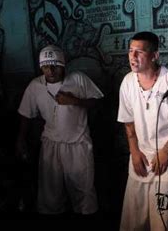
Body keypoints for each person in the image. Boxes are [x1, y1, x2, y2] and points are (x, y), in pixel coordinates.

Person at [17, 44, 103, 215]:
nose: (50, 70)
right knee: (50, 193)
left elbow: (98, 101)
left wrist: (75, 101)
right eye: (46, 66)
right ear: (41, 66)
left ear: (63, 65)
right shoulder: (35, 86)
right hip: (51, 144)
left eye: (55, 66)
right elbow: (26, 114)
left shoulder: (78, 78)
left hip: (78, 144)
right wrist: (20, 140)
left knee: (84, 190)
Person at [117, 32, 168, 231]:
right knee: (134, 221)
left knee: (165, 223)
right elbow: (128, 121)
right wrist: (134, 151)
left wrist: (166, 150)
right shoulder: (128, 82)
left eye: (139, 52)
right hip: (141, 158)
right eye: (130, 51)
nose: (133, 56)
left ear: (155, 55)